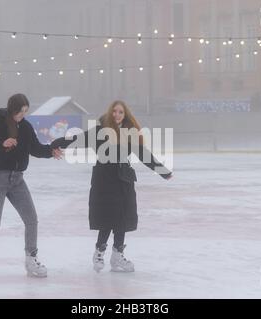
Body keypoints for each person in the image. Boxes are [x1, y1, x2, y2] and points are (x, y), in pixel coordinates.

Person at [51, 100, 172, 273]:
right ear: (110, 113)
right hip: (104, 181)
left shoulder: (129, 133)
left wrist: (163, 171)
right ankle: (99, 252)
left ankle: (117, 255)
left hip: (124, 180)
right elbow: (76, 140)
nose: (117, 114)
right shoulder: (99, 132)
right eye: (114, 111)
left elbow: (144, 154)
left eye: (120, 112)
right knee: (108, 218)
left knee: (122, 218)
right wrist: (55, 144)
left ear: (125, 115)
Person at [0, 93, 63, 279]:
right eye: (20, 111)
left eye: (25, 111)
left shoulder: (26, 127)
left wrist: (50, 152)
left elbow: (36, 148)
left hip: (17, 180)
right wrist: (2, 142)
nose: (22, 115)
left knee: (31, 219)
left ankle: (31, 258)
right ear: (12, 109)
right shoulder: (0, 123)